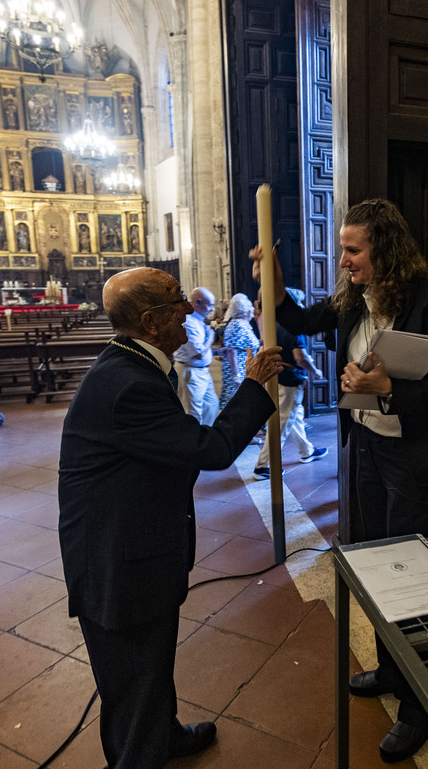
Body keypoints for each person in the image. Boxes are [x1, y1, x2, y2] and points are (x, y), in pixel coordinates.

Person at [251, 198, 428, 762]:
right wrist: (270, 282)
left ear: (386, 249)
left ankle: (425, 706)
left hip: (415, 456)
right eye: (345, 249)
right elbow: (299, 320)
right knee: (375, 562)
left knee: (409, 577)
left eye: (354, 250)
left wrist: (387, 389)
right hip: (368, 447)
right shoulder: (354, 300)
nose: (344, 260)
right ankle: (393, 672)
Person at [57, 267, 283, 769]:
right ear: (151, 320)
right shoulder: (127, 384)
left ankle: (164, 735)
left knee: (151, 661)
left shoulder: (134, 361)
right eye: (178, 301)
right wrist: (253, 384)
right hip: (117, 560)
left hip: (134, 543)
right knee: (134, 675)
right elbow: (212, 448)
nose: (188, 309)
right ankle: (142, 753)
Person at [251, 300, 328, 479]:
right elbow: (300, 357)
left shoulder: (273, 325)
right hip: (291, 379)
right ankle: (262, 466)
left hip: (277, 376)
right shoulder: (294, 328)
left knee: (293, 416)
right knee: (281, 423)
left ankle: (306, 451)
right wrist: (315, 371)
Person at [172, 287, 219, 425]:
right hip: (190, 372)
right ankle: (192, 444)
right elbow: (198, 353)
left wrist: (219, 352)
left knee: (211, 405)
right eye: (210, 304)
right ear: (198, 302)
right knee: (193, 413)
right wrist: (211, 337)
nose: (212, 309)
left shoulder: (198, 320)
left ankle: (205, 439)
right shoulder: (187, 323)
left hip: (202, 371)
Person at [219, 293, 260, 408]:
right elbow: (232, 351)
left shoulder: (243, 323)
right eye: (249, 306)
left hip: (244, 368)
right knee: (237, 404)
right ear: (244, 309)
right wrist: (236, 376)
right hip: (238, 370)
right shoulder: (237, 325)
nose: (252, 309)